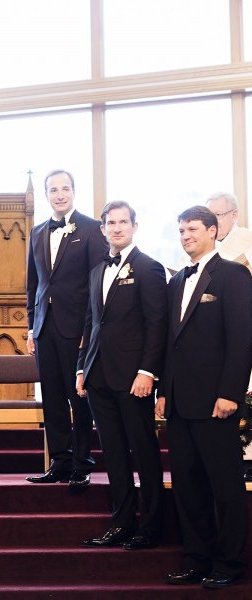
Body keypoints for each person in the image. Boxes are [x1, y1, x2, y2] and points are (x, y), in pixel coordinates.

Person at [156, 206, 252, 589]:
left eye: (193, 229)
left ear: (212, 231)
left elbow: (242, 339)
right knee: (187, 486)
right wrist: (164, 391)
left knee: (225, 487)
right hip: (179, 402)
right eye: (181, 230)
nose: (186, 236)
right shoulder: (176, 281)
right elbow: (170, 342)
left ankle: (228, 563)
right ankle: (196, 559)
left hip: (216, 402)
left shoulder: (234, 275)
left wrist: (230, 393)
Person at [76, 201, 167, 550]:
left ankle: (152, 527)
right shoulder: (97, 270)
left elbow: (156, 324)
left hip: (133, 379)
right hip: (98, 376)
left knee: (143, 452)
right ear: (102, 229)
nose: (117, 228)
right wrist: (82, 367)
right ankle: (122, 523)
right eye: (111, 223)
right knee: (113, 453)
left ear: (134, 226)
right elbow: (90, 323)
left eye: (123, 222)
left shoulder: (148, 267)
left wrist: (147, 372)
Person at [26, 169, 108, 487]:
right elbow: (33, 285)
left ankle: (82, 463)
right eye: (53, 190)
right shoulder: (36, 232)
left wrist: (91, 330)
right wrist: (31, 328)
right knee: (52, 396)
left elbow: (97, 284)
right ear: (46, 194)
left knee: (78, 396)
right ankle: (59, 461)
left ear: (74, 191)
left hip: (78, 327)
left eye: (65, 189)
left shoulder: (91, 229)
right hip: (44, 327)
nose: (59, 195)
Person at [206, 191, 252, 272]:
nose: (212, 221)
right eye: (208, 216)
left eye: (218, 215)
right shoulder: (204, 243)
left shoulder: (248, 239)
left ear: (234, 215)